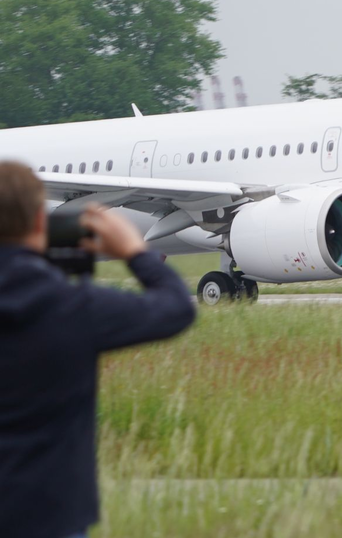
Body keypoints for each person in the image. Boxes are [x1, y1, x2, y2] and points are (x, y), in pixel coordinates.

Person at [0, 162, 196, 538]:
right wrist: (135, 252)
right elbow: (176, 309)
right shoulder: (71, 306)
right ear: (41, 225)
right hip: (50, 515)